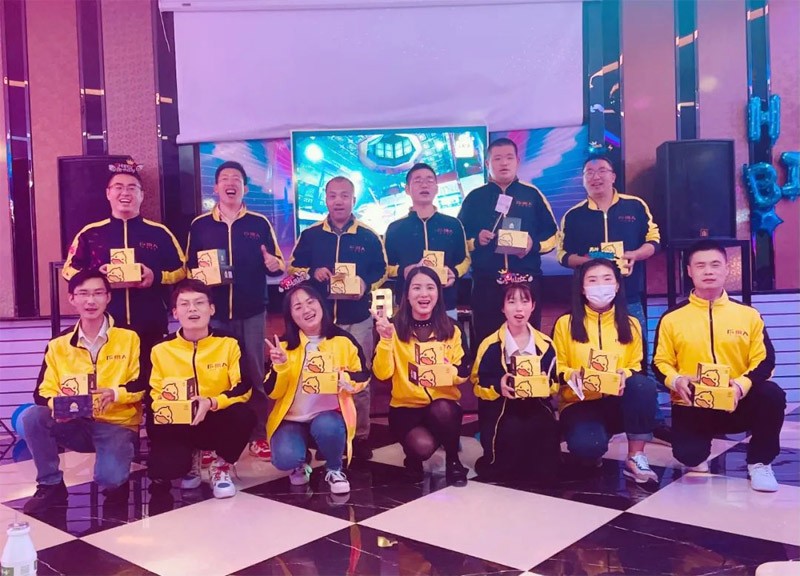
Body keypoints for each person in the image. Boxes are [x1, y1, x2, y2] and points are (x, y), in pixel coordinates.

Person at [653, 239, 785, 492]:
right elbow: (660, 362)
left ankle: (759, 463)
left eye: (715, 264)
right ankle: (695, 446)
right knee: (690, 456)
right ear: (689, 271)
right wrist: (677, 380)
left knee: (772, 394)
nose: (708, 271)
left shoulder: (748, 315)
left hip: (738, 401)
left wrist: (740, 385)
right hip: (693, 403)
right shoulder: (672, 318)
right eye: (700, 265)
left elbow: (765, 360)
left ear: (726, 268)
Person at [22, 270, 144, 513]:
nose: (91, 301)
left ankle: (117, 472)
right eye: (83, 294)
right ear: (72, 298)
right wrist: (58, 407)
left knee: (110, 479)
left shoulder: (130, 337)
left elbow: (142, 383)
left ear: (108, 297)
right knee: (33, 416)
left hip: (117, 424)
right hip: (75, 423)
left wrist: (115, 394)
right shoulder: (59, 344)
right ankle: (50, 483)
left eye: (98, 293)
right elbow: (42, 391)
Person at [186, 160, 285, 461]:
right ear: (216, 187)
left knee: (254, 373)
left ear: (245, 188)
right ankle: (210, 439)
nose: (231, 183)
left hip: (252, 311)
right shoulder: (200, 225)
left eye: (237, 179)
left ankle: (259, 435)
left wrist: (274, 264)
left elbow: (279, 264)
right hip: (213, 314)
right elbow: (188, 267)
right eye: (225, 178)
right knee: (215, 376)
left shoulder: (259, 223)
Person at [288, 176, 387, 460]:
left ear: (354, 200)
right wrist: (312, 272)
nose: (338, 201)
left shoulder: (368, 235)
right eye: (332, 196)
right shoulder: (311, 235)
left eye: (345, 196)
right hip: (318, 325)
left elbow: (382, 270)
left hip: (357, 320)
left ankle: (361, 435)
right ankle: (327, 437)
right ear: (326, 200)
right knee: (321, 377)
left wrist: (365, 284)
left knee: (358, 379)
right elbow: (293, 267)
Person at [62, 160, 186, 374]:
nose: (125, 193)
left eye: (132, 188)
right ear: (108, 193)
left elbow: (182, 270)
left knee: (150, 378)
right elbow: (68, 271)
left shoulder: (159, 233)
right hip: (105, 325)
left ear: (141, 195)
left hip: (150, 322)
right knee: (110, 380)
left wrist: (155, 277)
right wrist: (97, 277)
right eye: (118, 187)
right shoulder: (90, 233)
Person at [552, 259, 660, 483]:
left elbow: (637, 366)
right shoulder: (565, 323)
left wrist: (624, 375)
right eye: (592, 280)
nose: (600, 285)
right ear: (582, 288)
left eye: (607, 279)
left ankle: (636, 456)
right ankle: (595, 439)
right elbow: (557, 366)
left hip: (618, 401)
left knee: (642, 385)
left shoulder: (631, 324)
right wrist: (571, 374)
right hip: (580, 402)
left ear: (617, 285)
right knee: (587, 450)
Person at [147, 279, 255, 499]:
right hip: (179, 420)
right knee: (164, 469)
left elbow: (243, 387)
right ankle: (190, 461)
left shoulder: (229, 343)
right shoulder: (161, 349)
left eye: (199, 303)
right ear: (175, 313)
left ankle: (220, 466)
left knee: (244, 414)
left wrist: (211, 402)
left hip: (216, 416)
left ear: (211, 309)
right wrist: (171, 407)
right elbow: (153, 394)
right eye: (184, 304)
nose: (192, 309)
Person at [264, 276, 370, 496]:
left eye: (310, 302)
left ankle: (334, 469)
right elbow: (272, 392)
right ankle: (300, 461)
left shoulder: (343, 340)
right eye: (298, 307)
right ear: (291, 316)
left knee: (329, 426)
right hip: (292, 419)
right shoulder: (283, 346)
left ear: (321, 304)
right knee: (285, 459)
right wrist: (280, 366)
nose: (306, 309)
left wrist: (345, 379)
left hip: (327, 416)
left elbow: (363, 375)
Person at [557, 155, 660, 364]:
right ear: (583, 179)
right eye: (589, 172)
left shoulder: (635, 206)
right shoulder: (573, 215)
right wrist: (588, 263)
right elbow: (563, 255)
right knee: (588, 355)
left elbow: (654, 240)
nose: (596, 177)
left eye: (602, 170)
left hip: (629, 294)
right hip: (589, 300)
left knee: (637, 356)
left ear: (613, 176)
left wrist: (635, 254)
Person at [373, 266, 470, 486]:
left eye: (430, 288)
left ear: (438, 293)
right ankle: (413, 457)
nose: (424, 294)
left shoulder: (452, 329)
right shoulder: (392, 327)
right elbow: (382, 373)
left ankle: (453, 461)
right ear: (407, 295)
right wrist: (386, 340)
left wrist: (446, 371)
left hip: (442, 404)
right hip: (405, 407)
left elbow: (463, 372)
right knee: (422, 447)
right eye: (416, 288)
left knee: (443, 409)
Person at [458, 138, 558, 339]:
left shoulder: (532, 195)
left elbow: (553, 234)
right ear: (488, 164)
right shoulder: (474, 198)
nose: (504, 163)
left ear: (517, 161)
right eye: (497, 159)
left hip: (525, 282)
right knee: (486, 340)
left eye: (509, 158)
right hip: (487, 284)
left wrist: (533, 244)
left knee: (527, 340)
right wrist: (476, 241)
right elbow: (458, 240)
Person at [471, 276, 560, 482]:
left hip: (536, 405)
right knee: (511, 432)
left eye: (525, 301)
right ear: (502, 308)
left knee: (544, 441)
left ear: (533, 306)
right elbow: (477, 384)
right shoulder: (490, 344)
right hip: (502, 407)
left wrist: (545, 385)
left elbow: (555, 383)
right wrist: (498, 386)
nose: (519, 308)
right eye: (511, 302)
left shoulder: (546, 344)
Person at [384, 163, 470, 317]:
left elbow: (465, 260)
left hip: (445, 305)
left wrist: (455, 273)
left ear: (436, 188)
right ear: (407, 189)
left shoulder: (453, 224)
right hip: (407, 307)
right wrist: (403, 271)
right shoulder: (395, 228)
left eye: (430, 180)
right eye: (417, 180)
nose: (424, 185)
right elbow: (385, 266)